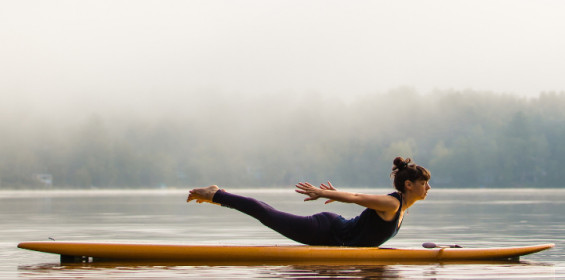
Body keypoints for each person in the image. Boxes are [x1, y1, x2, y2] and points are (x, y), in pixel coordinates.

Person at [186, 157, 431, 247]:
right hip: (326, 230)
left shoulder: (401, 211)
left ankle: (219, 195)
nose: (428, 188)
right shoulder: (393, 204)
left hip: (336, 237)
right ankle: (216, 193)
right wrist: (325, 193)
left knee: (268, 215)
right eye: (424, 183)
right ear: (408, 185)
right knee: (268, 215)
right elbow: (357, 198)